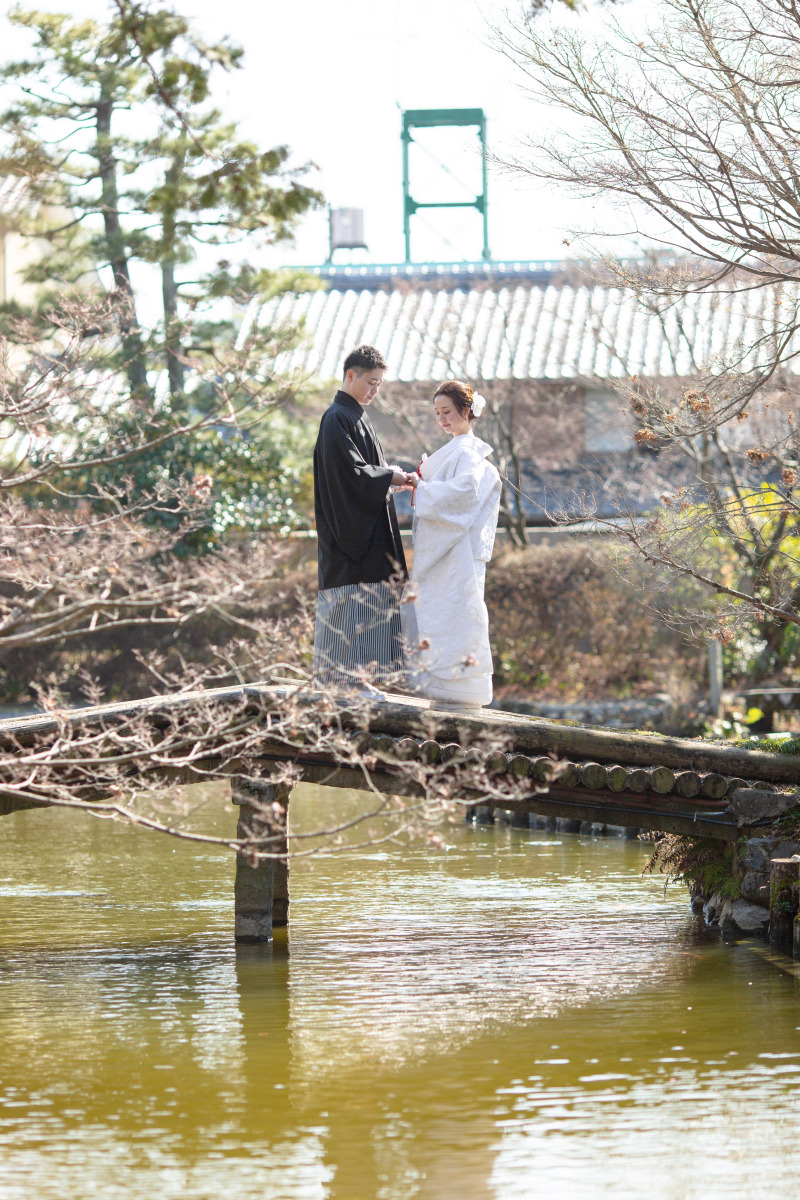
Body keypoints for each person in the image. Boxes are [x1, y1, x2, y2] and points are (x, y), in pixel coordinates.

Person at [312, 344, 413, 695]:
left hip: (363, 534)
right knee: (352, 605)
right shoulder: (337, 417)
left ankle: (360, 679)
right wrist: (392, 477)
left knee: (364, 606)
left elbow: (365, 474)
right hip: (349, 539)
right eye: (371, 382)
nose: (375, 390)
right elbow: (353, 475)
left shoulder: (352, 416)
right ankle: (347, 682)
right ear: (350, 375)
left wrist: (389, 480)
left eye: (380, 384)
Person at [404, 380, 501, 708]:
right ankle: (452, 686)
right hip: (453, 549)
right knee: (449, 615)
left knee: (458, 614)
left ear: (466, 411)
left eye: (447, 411)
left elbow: (463, 495)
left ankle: (460, 688)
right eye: (437, 413)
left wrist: (422, 488)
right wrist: (421, 487)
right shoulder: (461, 451)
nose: (441, 419)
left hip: (457, 552)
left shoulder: (466, 451)